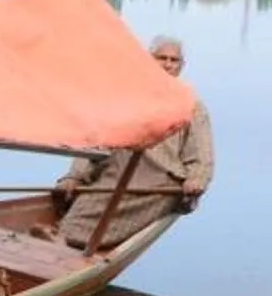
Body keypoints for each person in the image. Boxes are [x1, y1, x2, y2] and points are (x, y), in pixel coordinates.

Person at [49, 36, 213, 251]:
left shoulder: (191, 105)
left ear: (181, 66)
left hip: (159, 183)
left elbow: (202, 153)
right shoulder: (125, 97)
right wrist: (74, 176)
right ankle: (66, 236)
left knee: (110, 219)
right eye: (161, 58)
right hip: (116, 173)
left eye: (174, 60)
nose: (167, 65)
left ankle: (77, 241)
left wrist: (197, 179)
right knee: (81, 206)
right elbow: (96, 143)